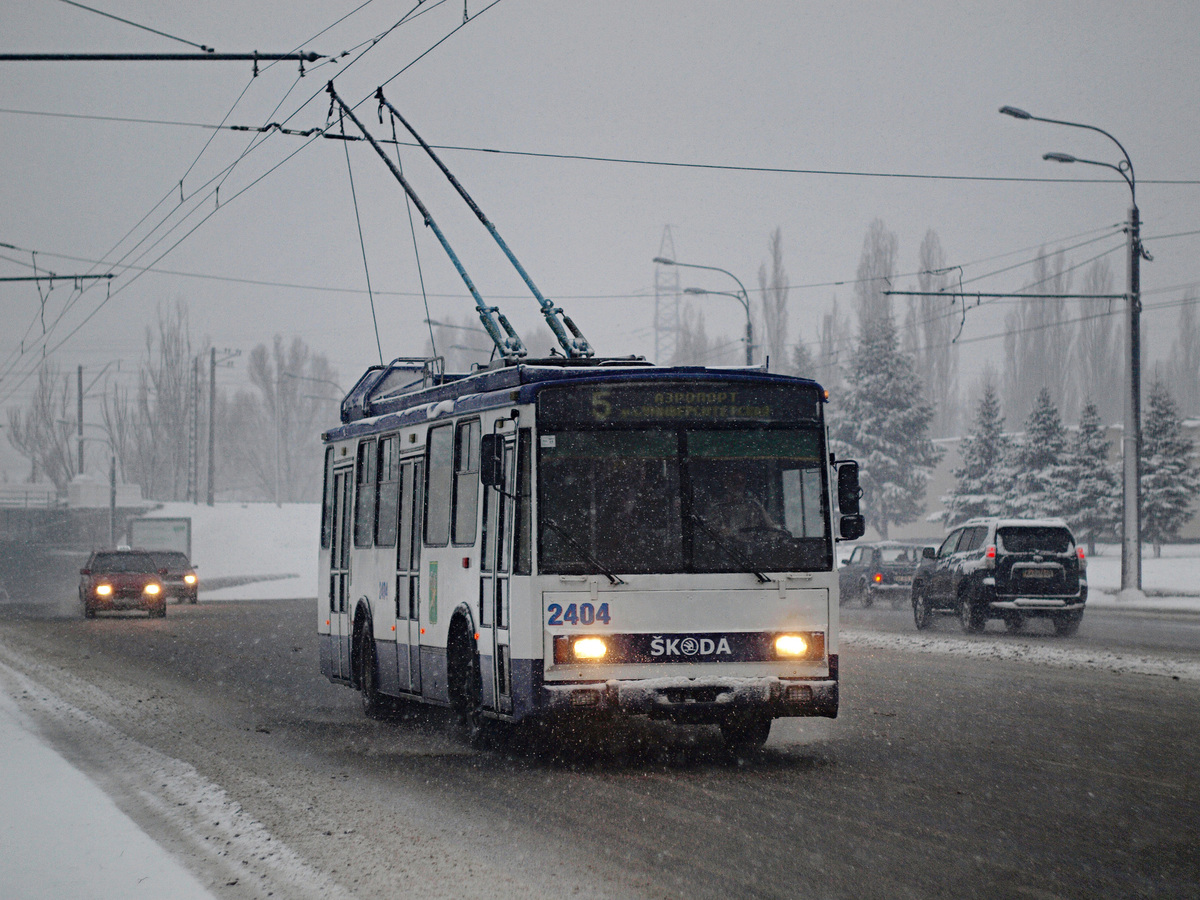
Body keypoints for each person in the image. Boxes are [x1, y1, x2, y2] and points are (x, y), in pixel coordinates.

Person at [703, 470, 781, 537]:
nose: (738, 485)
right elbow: (711, 535)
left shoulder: (754, 506)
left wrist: (780, 533)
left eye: (742, 481)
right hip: (725, 551)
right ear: (726, 483)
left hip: (752, 551)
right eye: (735, 481)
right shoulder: (715, 508)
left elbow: (771, 530)